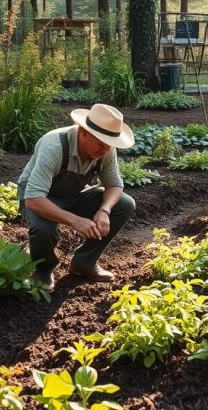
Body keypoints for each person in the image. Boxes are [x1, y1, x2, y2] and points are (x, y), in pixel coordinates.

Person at [17, 103, 136, 292]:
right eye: (101, 143)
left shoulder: (106, 150)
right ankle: (42, 269)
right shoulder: (54, 145)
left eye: (109, 145)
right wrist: (75, 220)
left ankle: (84, 262)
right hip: (39, 197)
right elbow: (34, 199)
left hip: (73, 194)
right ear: (84, 132)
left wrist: (104, 210)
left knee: (124, 204)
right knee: (43, 227)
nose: (105, 150)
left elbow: (114, 185)